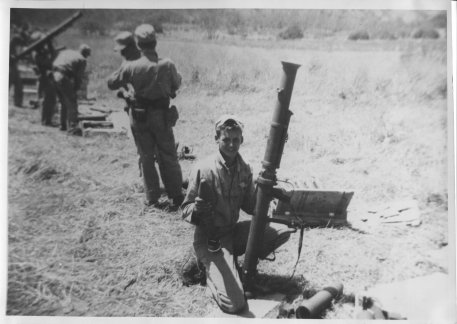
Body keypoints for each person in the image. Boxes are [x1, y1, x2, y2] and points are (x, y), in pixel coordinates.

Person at [181, 115, 292, 314]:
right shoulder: (203, 168)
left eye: (236, 140)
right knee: (236, 304)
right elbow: (185, 209)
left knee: (282, 231)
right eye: (226, 139)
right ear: (217, 139)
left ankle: (237, 269)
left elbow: (251, 206)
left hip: (232, 232)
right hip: (211, 239)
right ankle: (208, 272)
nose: (231, 145)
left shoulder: (245, 168)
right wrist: (196, 210)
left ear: (242, 140)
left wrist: (265, 194)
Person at [107, 24, 183, 209]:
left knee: (146, 156)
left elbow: (111, 83)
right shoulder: (167, 64)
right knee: (168, 155)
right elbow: (177, 83)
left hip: (139, 117)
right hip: (162, 115)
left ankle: (152, 198)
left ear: (138, 45)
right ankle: (176, 195)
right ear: (155, 42)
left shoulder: (131, 66)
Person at [52, 44, 91, 135]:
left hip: (54, 74)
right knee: (72, 101)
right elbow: (78, 77)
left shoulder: (68, 52)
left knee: (63, 101)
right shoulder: (82, 59)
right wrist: (76, 88)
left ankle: (63, 125)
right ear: (85, 53)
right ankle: (73, 128)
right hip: (63, 75)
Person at [30, 31, 57, 126]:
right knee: (48, 99)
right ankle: (46, 120)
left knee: (50, 99)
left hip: (45, 77)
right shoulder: (37, 54)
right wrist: (50, 45)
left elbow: (52, 55)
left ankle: (47, 119)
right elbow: (49, 62)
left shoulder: (40, 52)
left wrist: (49, 44)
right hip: (44, 77)